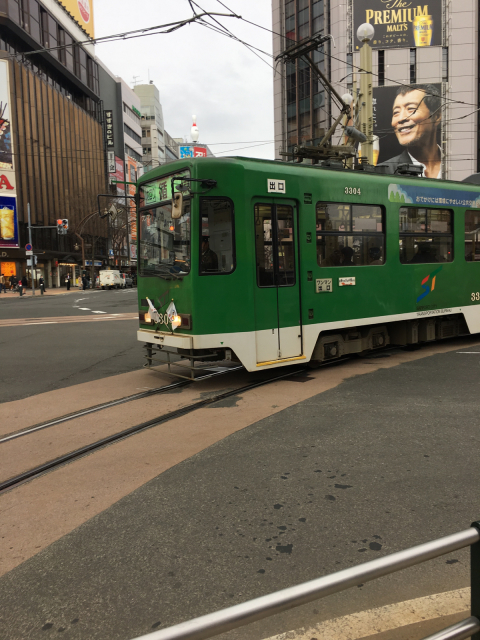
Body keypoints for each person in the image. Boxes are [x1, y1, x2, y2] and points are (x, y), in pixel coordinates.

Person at [377, 84, 442, 179]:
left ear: (436, 117)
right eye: (396, 112)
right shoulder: (383, 173)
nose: (401, 118)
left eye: (411, 109)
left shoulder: (457, 165)